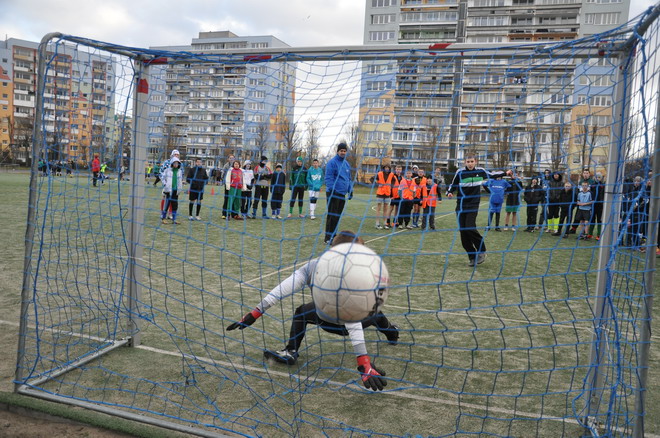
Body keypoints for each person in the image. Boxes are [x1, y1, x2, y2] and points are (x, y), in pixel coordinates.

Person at [225, 231, 398, 391]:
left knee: (302, 312)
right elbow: (352, 318)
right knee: (375, 312)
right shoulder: (358, 274)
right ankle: (392, 333)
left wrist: (256, 312)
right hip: (350, 324)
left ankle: (291, 351)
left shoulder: (315, 265)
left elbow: (282, 289)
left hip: (325, 320)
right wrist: (363, 362)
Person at [447, 154, 491, 267]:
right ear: (465, 162)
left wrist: (506, 174)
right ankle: (472, 257)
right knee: (463, 231)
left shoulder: (481, 171)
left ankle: (482, 250)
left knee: (470, 226)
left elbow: (492, 175)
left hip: (473, 204)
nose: (470, 163)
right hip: (461, 205)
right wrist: (450, 192)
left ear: (475, 162)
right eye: (468, 161)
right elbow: (453, 184)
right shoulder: (460, 172)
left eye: (472, 161)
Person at [324, 142, 353, 244]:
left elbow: (349, 179)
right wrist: (332, 189)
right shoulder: (332, 163)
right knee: (332, 215)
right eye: (341, 151)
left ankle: (334, 235)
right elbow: (329, 177)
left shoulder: (346, 164)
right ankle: (328, 237)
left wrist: (350, 190)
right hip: (333, 193)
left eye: (344, 151)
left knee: (338, 216)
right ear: (338, 151)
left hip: (342, 194)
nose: (343, 152)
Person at [161, 157, 183, 225]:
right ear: (172, 163)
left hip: (176, 191)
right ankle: (163, 218)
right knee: (167, 204)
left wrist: (180, 188)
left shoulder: (179, 171)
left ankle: (174, 219)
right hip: (168, 191)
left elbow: (180, 181)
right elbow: (162, 177)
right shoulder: (167, 170)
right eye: (174, 163)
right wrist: (165, 184)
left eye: (177, 163)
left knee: (175, 205)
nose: (176, 164)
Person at [374, 164, 394, 229]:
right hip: (380, 193)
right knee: (378, 209)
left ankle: (385, 223)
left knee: (385, 209)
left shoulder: (391, 174)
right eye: (385, 167)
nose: (387, 169)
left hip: (387, 194)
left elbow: (394, 182)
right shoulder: (379, 173)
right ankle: (377, 224)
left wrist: (390, 187)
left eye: (388, 167)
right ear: (384, 168)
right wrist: (377, 184)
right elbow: (372, 179)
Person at [588, 172, 605, 240]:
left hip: (600, 205)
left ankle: (598, 235)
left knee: (599, 219)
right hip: (593, 204)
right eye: (596, 177)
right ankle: (590, 233)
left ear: (601, 178)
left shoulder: (603, 185)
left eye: (599, 177)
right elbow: (590, 193)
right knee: (592, 218)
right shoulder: (592, 185)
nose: (597, 178)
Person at [221, 155, 236, 219]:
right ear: (228, 159)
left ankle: (233, 214)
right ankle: (224, 213)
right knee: (226, 199)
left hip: (234, 186)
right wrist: (226, 182)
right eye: (230, 158)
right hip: (227, 185)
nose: (231, 159)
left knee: (233, 199)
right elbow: (222, 175)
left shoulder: (236, 165)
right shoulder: (226, 166)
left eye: (233, 158)